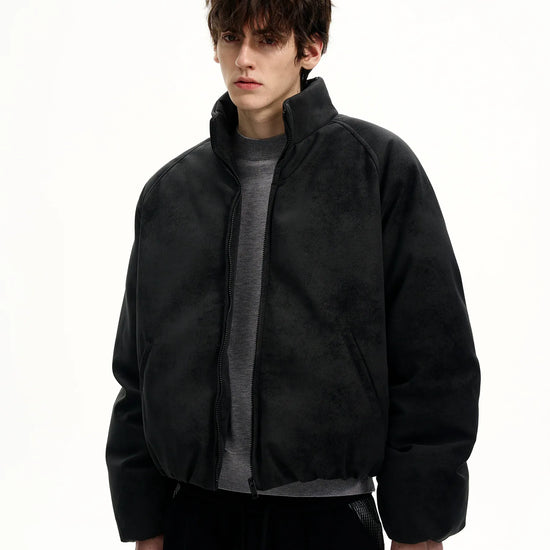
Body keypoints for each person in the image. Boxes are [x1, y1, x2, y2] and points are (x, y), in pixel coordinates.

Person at [105, 1, 481, 549]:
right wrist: (145, 522)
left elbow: (434, 362)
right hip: (194, 517)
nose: (244, 58)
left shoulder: (376, 170)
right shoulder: (171, 194)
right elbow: (137, 373)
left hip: (328, 519)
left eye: (267, 40)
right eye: (230, 38)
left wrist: (420, 529)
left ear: (310, 48)